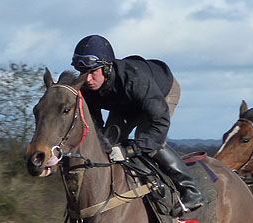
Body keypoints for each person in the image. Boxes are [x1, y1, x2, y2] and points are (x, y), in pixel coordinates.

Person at [71, 34, 206, 212]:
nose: (87, 79)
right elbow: (94, 125)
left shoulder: (135, 80)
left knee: (148, 139)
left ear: (106, 68)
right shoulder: (87, 87)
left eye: (92, 72)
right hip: (126, 102)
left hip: (161, 92)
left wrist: (129, 150)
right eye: (82, 72)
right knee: (109, 142)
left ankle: (191, 191)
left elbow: (159, 125)